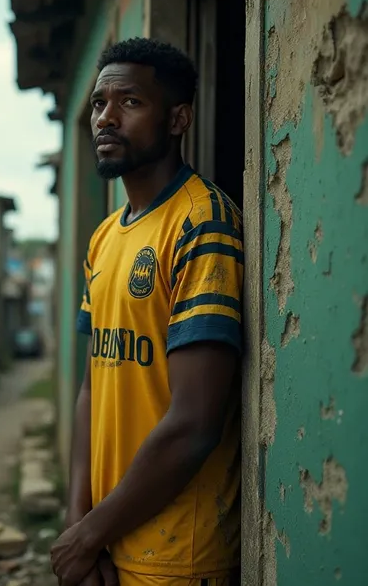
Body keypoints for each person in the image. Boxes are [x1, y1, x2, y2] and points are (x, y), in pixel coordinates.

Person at [50, 38, 243, 586]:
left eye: (129, 102)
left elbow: (195, 422)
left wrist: (85, 537)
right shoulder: (106, 237)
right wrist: (79, 525)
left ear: (178, 118)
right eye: (97, 103)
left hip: (179, 555)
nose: (106, 118)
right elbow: (93, 387)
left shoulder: (202, 223)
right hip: (109, 538)